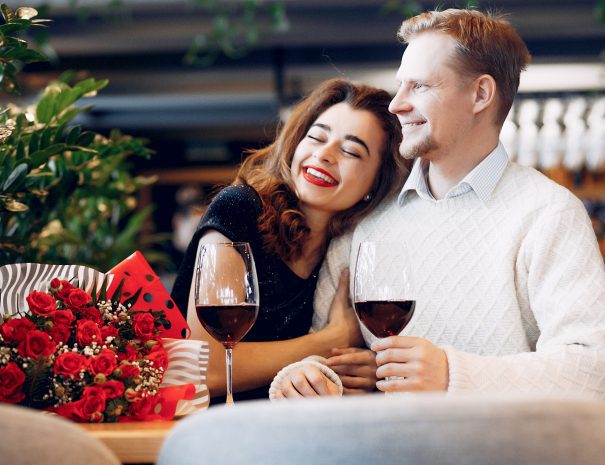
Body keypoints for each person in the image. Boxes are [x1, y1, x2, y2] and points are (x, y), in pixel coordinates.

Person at [270, 9, 605, 399]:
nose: (396, 104)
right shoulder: (368, 217)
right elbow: (323, 352)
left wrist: (451, 374)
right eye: (400, 86)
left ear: (480, 94)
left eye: (420, 86)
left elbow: (592, 367)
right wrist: (304, 377)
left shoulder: (547, 214)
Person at [170, 78, 406, 401]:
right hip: (206, 428)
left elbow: (316, 373)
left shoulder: (345, 253)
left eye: (350, 150)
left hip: (283, 432)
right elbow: (206, 368)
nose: (324, 154)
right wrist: (332, 339)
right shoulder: (240, 209)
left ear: (375, 185)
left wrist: (364, 370)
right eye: (317, 137)